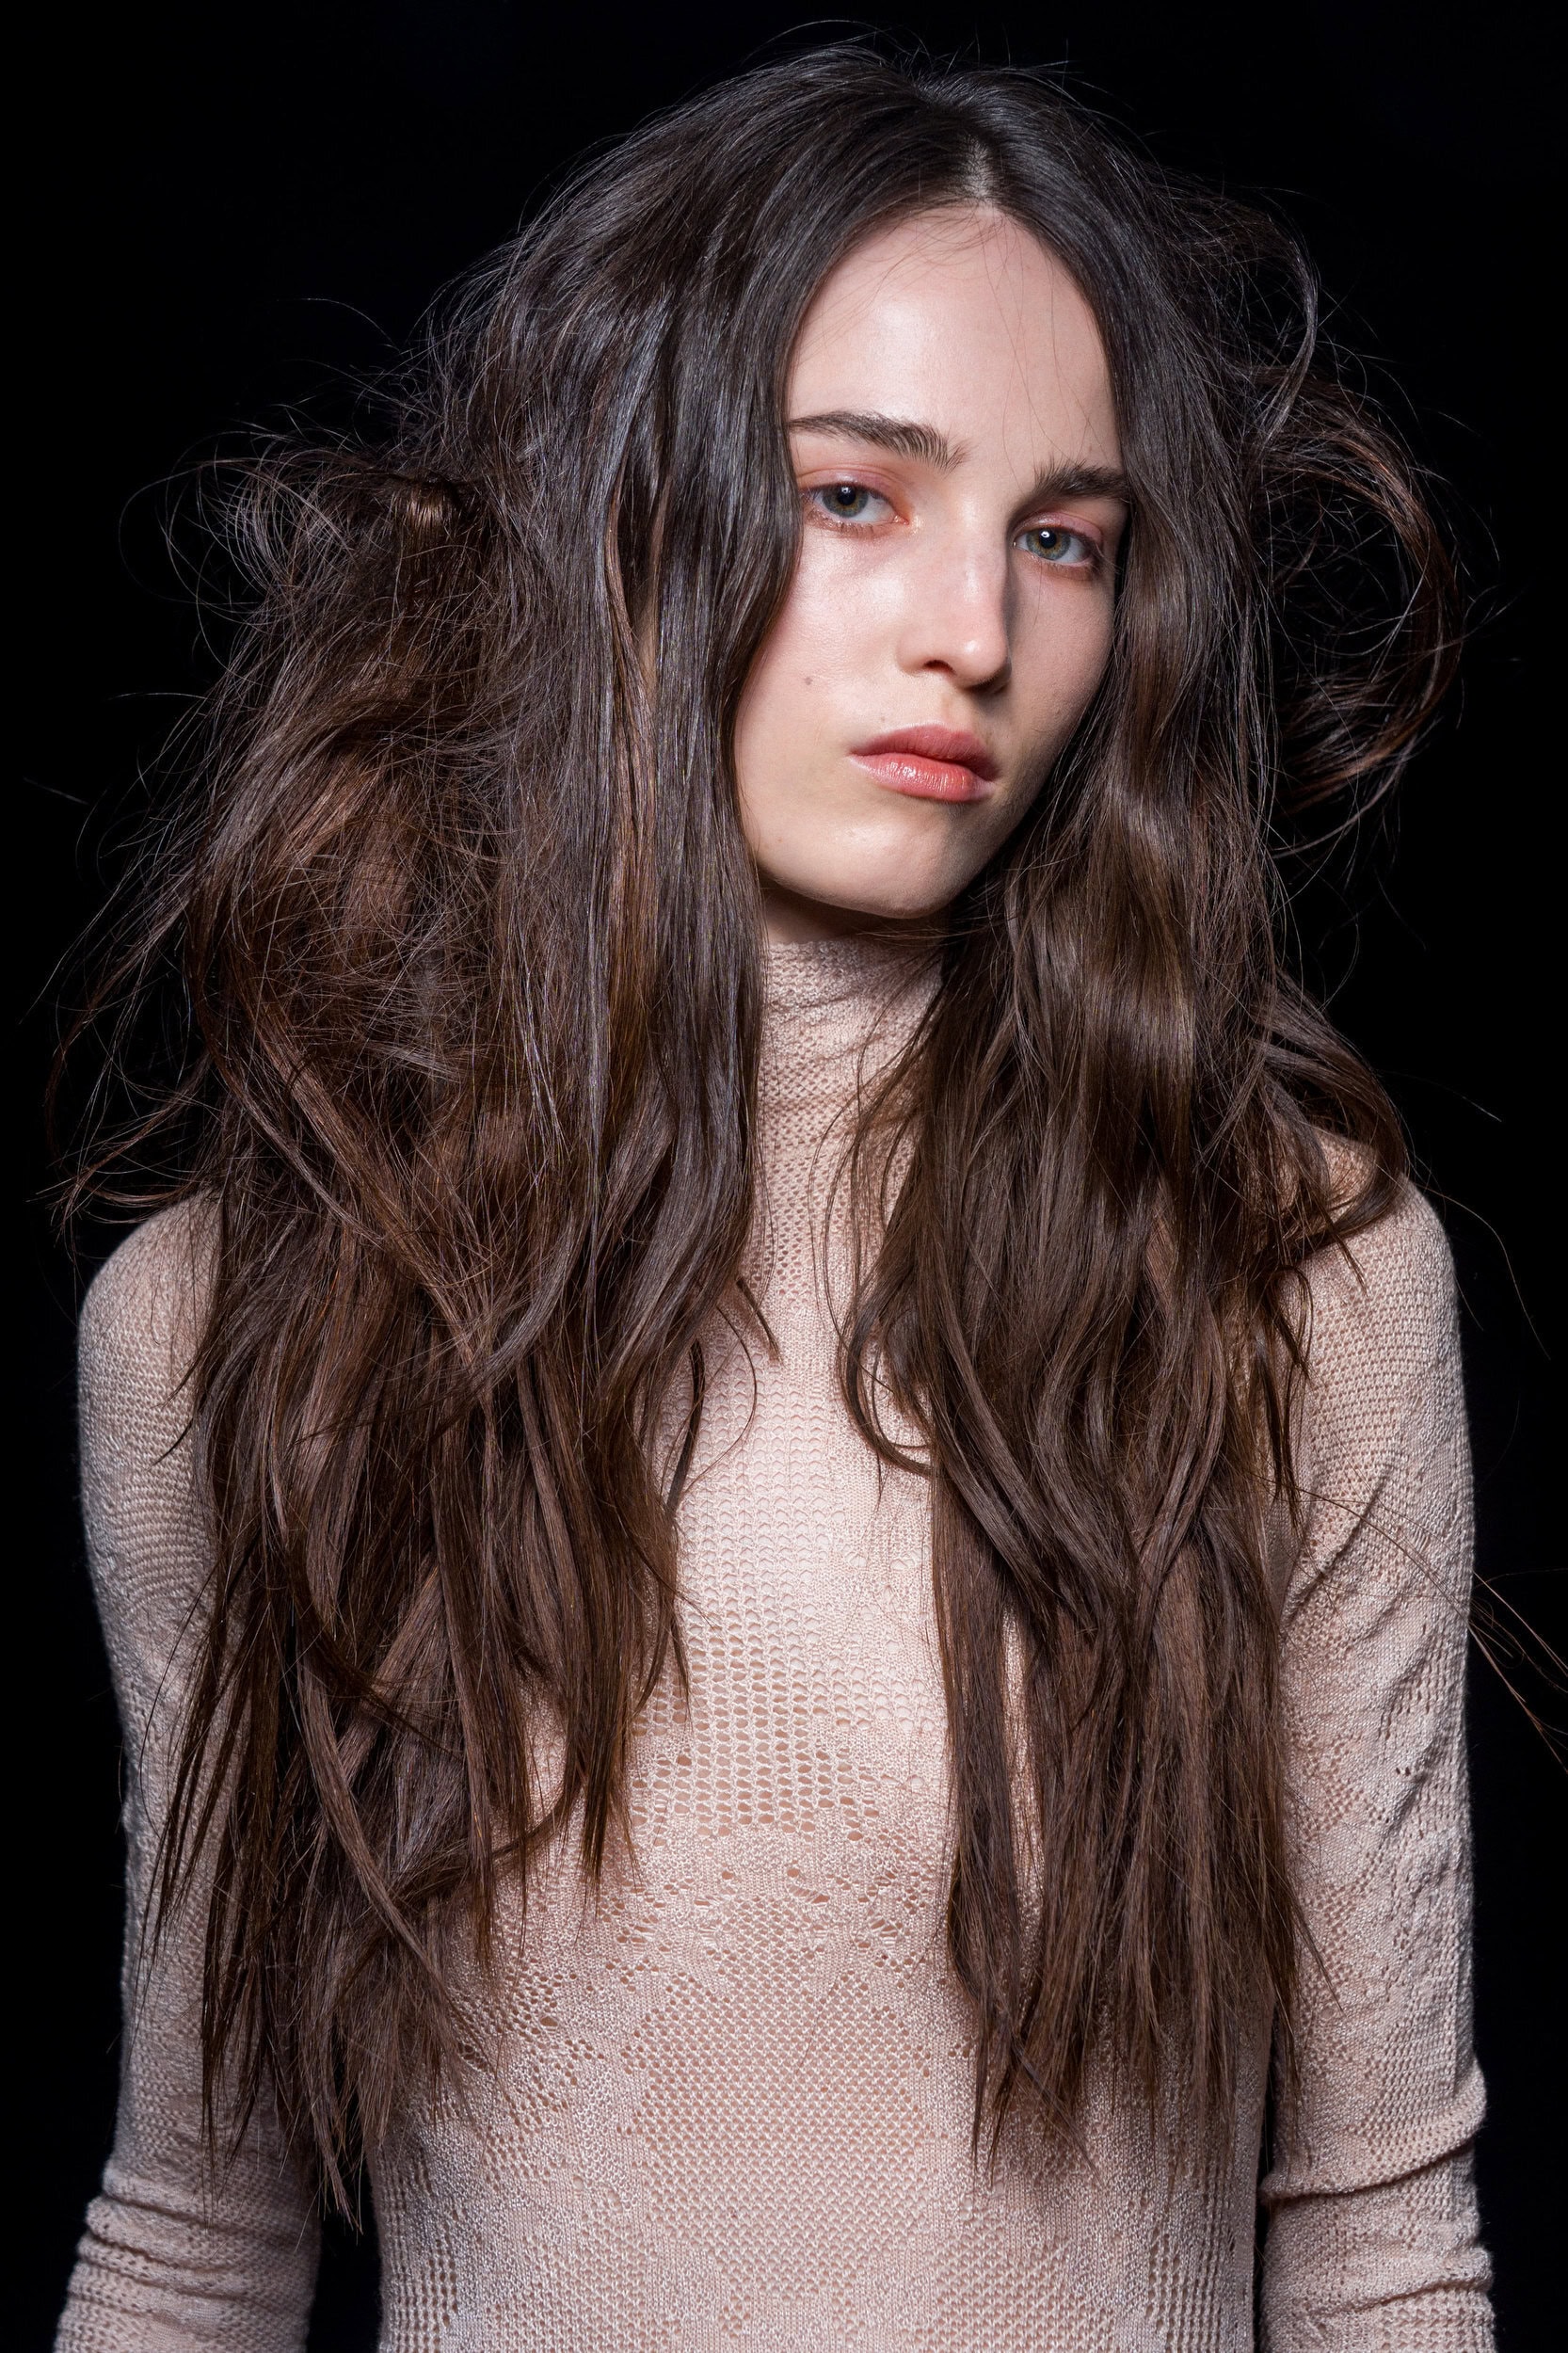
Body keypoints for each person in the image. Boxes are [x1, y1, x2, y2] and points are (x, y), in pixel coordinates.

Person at [55, 45, 1492, 2351]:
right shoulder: (245, 1320)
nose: (973, 632)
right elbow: (194, 2234)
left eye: (1061, 537)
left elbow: (1378, 2244)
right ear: (613, 508)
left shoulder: (1281, 1277)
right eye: (852, 494)